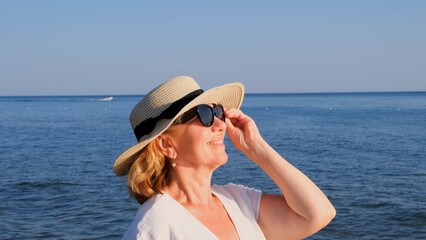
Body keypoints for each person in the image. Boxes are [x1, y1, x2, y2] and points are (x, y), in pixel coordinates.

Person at [114, 76, 336, 240]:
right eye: (204, 115)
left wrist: (257, 148)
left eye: (218, 112)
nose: (221, 124)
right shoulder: (154, 227)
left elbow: (318, 214)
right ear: (166, 144)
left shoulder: (236, 200)